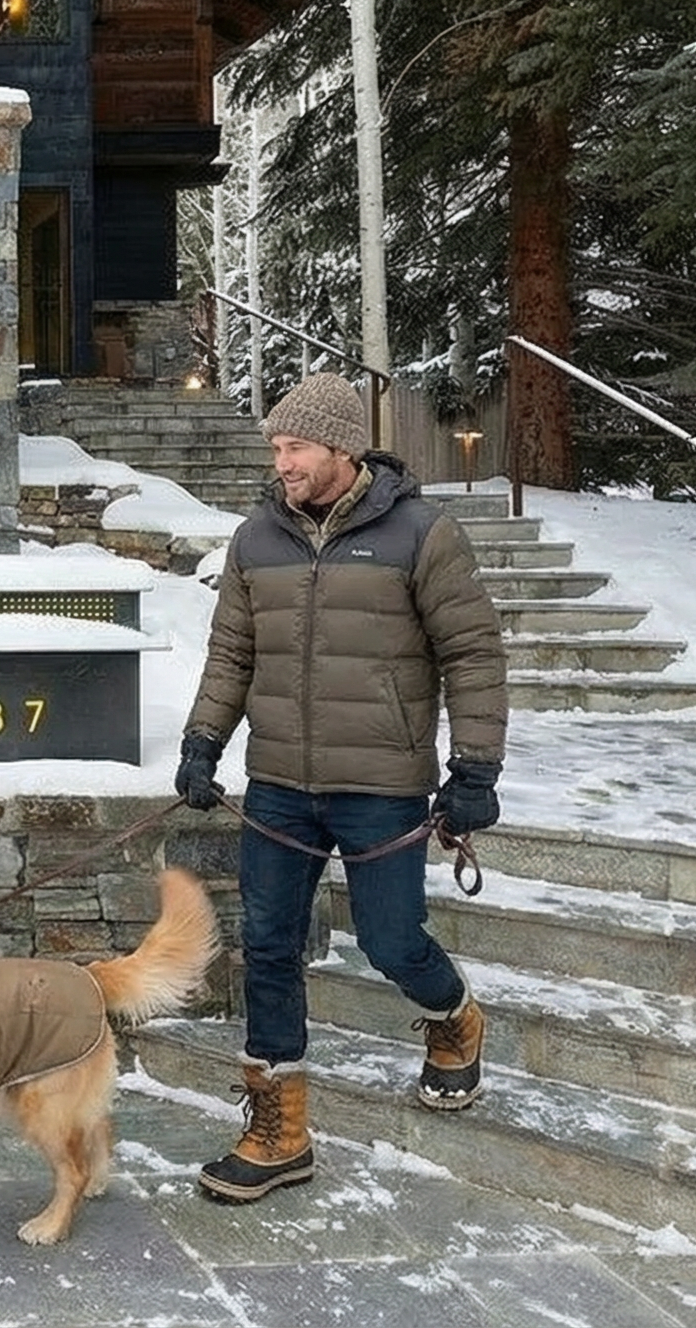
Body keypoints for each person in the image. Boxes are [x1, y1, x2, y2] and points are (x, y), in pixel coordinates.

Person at [173, 372, 510, 1204]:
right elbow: (232, 654)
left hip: (381, 783)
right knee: (269, 947)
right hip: (279, 784)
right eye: (276, 449)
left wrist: (475, 769)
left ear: (340, 449)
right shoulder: (257, 538)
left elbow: (472, 653)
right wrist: (203, 741)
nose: (281, 463)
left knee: (391, 941)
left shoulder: (422, 535)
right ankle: (279, 1132)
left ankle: (454, 1017)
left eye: (294, 448)